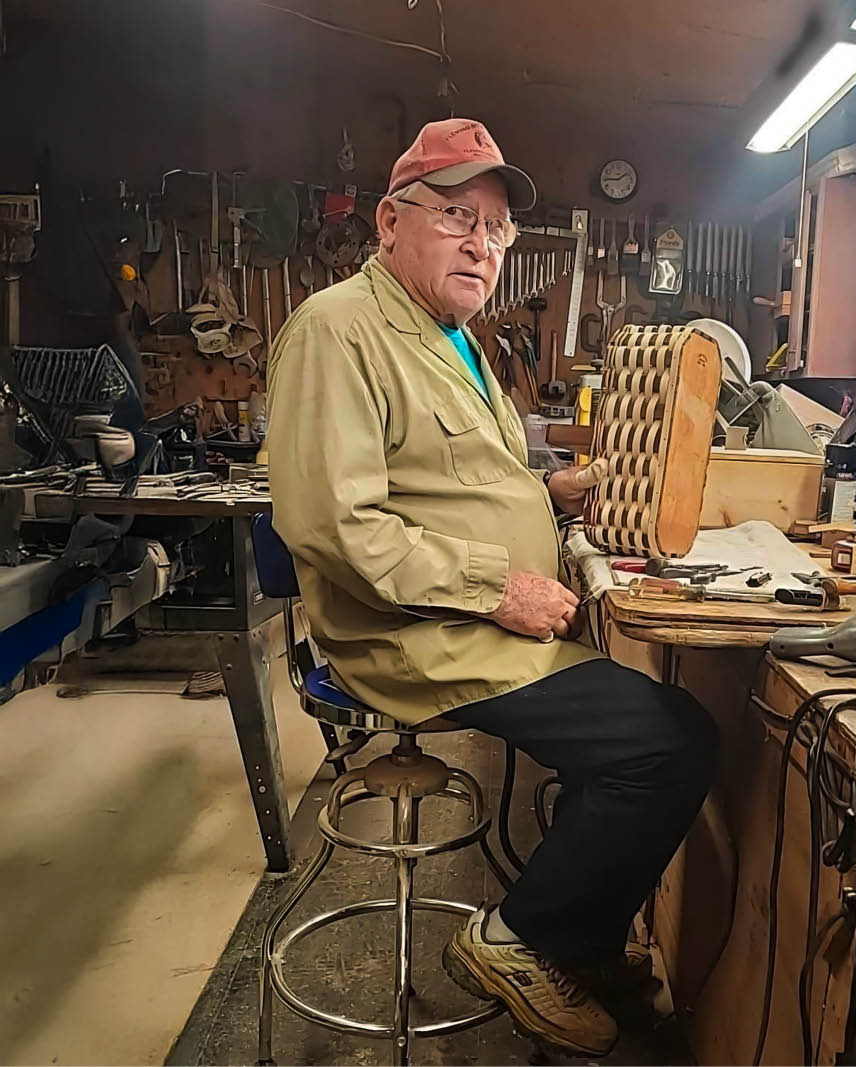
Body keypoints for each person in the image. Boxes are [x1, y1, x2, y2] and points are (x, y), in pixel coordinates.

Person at [267, 118, 717, 1058]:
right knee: (664, 743)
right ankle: (521, 938)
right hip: (411, 632)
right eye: (456, 216)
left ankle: (578, 938)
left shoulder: (455, 337)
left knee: (664, 731)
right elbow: (334, 526)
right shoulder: (338, 329)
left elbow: (455, 472)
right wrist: (496, 588)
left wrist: (546, 489)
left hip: (478, 618)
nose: (482, 243)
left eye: (497, 229)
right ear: (389, 222)